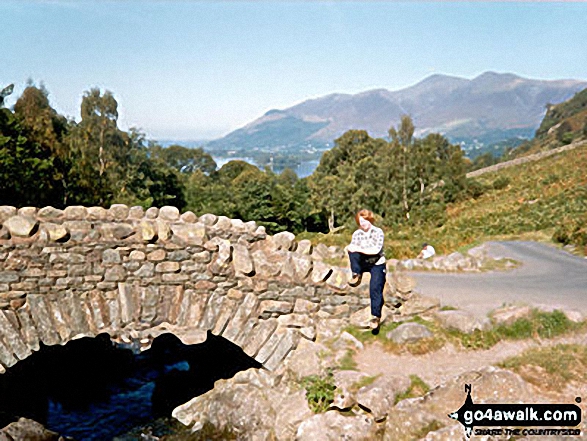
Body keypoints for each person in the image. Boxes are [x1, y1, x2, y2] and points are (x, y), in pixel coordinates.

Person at [345, 209, 386, 330]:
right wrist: (355, 249)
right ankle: (356, 273)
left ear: (370, 220)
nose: (363, 223)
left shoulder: (378, 232)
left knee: (375, 288)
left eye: (365, 221)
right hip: (363, 262)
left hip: (376, 262)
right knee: (352, 252)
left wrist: (358, 248)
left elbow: (375, 250)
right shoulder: (356, 234)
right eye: (360, 221)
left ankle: (375, 316)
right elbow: (351, 248)